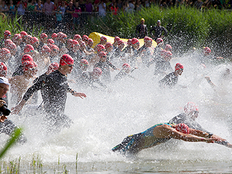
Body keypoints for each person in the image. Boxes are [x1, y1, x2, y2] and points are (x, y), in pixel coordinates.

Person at [11, 54, 87, 132]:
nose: (72, 68)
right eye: (70, 66)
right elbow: (32, 88)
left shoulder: (64, 76)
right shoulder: (51, 77)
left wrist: (74, 92)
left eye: (72, 66)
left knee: (57, 135)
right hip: (52, 114)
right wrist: (21, 105)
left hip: (59, 113)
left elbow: (64, 86)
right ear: (63, 64)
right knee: (73, 128)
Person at [112, 122, 225, 155]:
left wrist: (209, 135)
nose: (175, 137)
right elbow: (184, 137)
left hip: (136, 147)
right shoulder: (166, 129)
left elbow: (193, 131)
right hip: (131, 142)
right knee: (112, 155)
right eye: (176, 135)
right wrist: (205, 141)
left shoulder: (178, 127)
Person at [0, 77, 26, 143]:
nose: (5, 91)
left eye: (6, 89)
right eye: (3, 88)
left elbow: (4, 110)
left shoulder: (4, 97)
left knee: (22, 138)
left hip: (1, 122)